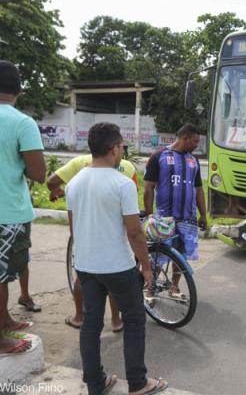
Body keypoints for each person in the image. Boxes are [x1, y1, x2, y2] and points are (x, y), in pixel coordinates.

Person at [66, 122, 167, 395]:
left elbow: (74, 229)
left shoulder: (74, 184)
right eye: (122, 146)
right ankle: (138, 382)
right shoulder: (121, 184)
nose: (123, 150)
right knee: (134, 320)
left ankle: (95, 384)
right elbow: (134, 233)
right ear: (113, 149)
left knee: (91, 324)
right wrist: (146, 268)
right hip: (117, 266)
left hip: (85, 265)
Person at [48, 154, 139, 332]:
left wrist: (57, 191)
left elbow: (52, 181)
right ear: (113, 148)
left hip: (86, 235)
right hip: (115, 237)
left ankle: (79, 317)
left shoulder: (78, 164)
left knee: (84, 276)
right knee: (113, 277)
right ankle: (115, 320)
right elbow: (133, 196)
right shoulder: (127, 167)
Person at [0, 60, 46, 355]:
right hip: (8, 213)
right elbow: (38, 172)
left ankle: (4, 319)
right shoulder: (21, 122)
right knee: (1, 275)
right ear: (19, 90)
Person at [143, 123, 207, 293]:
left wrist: (203, 215)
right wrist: (150, 216)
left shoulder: (194, 161)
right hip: (164, 219)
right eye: (194, 141)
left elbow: (199, 189)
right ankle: (150, 288)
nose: (196, 145)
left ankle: (174, 285)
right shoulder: (159, 156)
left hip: (187, 218)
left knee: (181, 255)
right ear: (184, 138)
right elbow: (148, 188)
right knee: (158, 256)